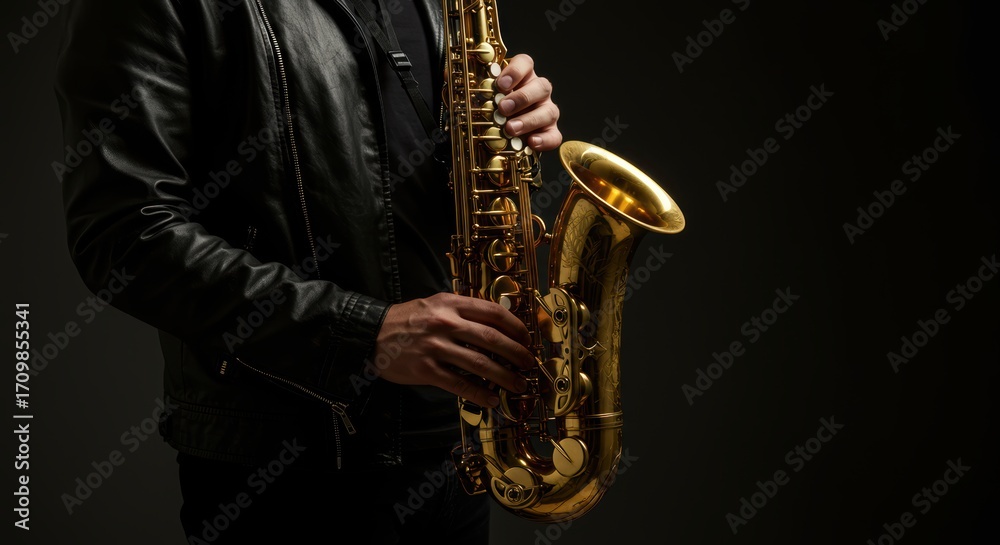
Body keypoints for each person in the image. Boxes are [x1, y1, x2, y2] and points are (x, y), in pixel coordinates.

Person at [55, 0, 561, 543]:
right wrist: (362, 334)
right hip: (288, 472)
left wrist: (507, 129)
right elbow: (124, 236)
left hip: (454, 454)